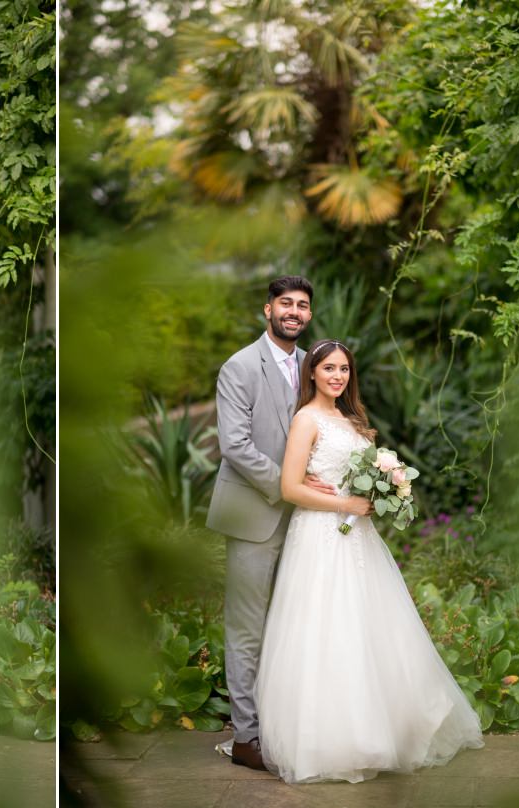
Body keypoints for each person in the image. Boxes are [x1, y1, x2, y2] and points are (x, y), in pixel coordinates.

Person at [254, 339, 484, 783]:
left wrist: (382, 492)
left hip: (359, 535)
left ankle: (389, 727)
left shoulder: (351, 419)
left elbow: (360, 477)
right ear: (313, 375)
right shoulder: (306, 419)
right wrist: (346, 504)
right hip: (322, 535)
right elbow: (289, 487)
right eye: (328, 369)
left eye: (343, 369)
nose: (337, 376)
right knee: (327, 627)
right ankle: (335, 740)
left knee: (369, 625)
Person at [205, 276, 335, 769]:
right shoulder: (239, 367)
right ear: (268, 310)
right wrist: (286, 485)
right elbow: (234, 446)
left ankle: (286, 726)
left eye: (302, 305)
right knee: (247, 629)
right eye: (286, 303)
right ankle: (246, 738)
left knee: (293, 624)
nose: (294, 312)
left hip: (307, 522)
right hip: (253, 516)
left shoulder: (312, 366)